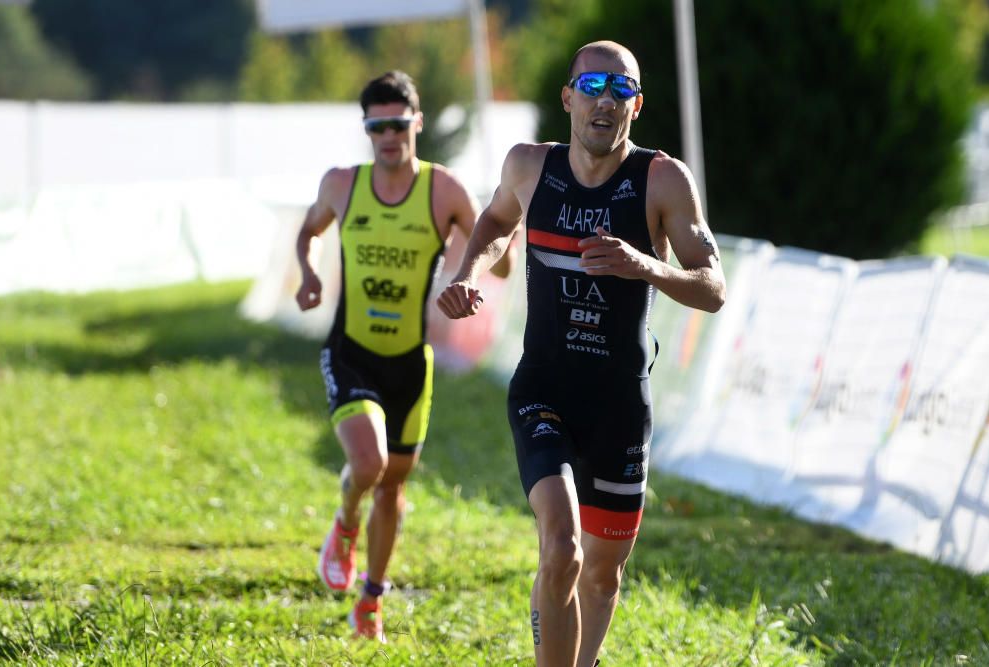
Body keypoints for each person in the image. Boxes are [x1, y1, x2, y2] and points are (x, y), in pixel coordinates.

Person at [437, 41, 726, 666]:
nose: (606, 99)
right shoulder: (528, 166)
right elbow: (493, 224)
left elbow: (713, 288)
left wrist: (642, 265)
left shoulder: (663, 180)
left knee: (600, 574)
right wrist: (468, 275)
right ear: (568, 98)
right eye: (593, 85)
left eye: (621, 89)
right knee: (561, 547)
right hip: (544, 388)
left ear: (637, 106)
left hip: (620, 403)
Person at [295, 70, 513, 642]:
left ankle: (370, 601)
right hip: (352, 350)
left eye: (398, 124)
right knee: (366, 466)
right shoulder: (343, 184)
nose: (388, 136)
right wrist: (310, 272)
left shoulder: (444, 191)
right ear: (367, 129)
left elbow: (500, 256)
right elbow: (309, 230)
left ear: (416, 123)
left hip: (412, 362)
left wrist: (495, 242)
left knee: (393, 487)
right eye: (377, 126)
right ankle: (344, 525)